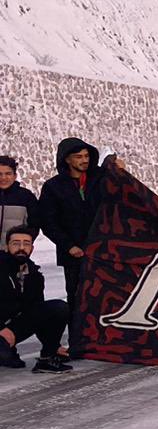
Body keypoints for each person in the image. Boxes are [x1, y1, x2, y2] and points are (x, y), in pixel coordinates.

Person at [35, 137, 104, 358]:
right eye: (79, 157)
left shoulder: (98, 180)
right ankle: (79, 342)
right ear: (67, 159)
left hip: (102, 252)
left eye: (87, 156)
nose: (84, 160)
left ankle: (105, 340)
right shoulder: (54, 187)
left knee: (105, 296)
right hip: (73, 253)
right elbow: (48, 222)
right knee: (77, 297)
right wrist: (68, 246)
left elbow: (121, 189)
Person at [0, 225, 71, 373]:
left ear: (32, 248)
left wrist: (53, 344)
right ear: (7, 246)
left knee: (58, 308)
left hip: (13, 326)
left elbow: (38, 313)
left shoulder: (34, 275)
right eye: (16, 243)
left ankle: (47, 359)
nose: (21, 247)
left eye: (26, 244)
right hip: (2, 327)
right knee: (6, 357)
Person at [0, 155, 39, 242]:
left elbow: (34, 225)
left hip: (15, 253)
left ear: (15, 176)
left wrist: (23, 245)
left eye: (8, 174)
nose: (3, 178)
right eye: (0, 174)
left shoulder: (26, 197)